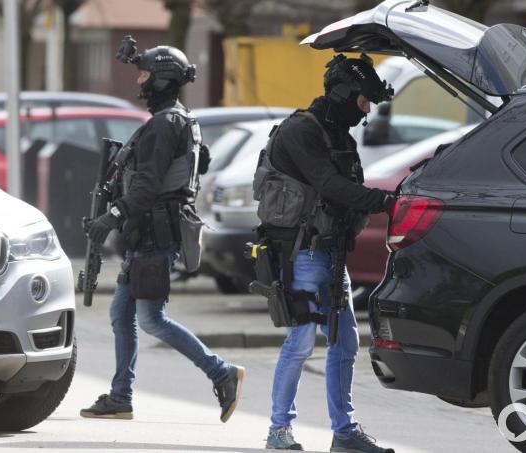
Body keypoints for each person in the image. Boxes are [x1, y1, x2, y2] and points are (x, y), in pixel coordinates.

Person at [80, 43, 244, 423]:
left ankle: (221, 372)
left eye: (145, 74)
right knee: (121, 314)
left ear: (163, 79)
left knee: (151, 318)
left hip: (155, 235)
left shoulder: (163, 125)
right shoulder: (182, 120)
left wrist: (111, 217)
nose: (140, 81)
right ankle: (121, 396)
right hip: (150, 232)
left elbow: (148, 186)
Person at [254, 53, 396, 452]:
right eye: (363, 100)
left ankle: (344, 433)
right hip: (302, 253)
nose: (365, 110)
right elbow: (328, 183)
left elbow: (347, 191)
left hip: (332, 255)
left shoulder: (340, 136)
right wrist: (385, 201)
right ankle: (278, 431)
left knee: (345, 343)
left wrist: (378, 201)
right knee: (300, 342)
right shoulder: (301, 130)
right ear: (344, 93)